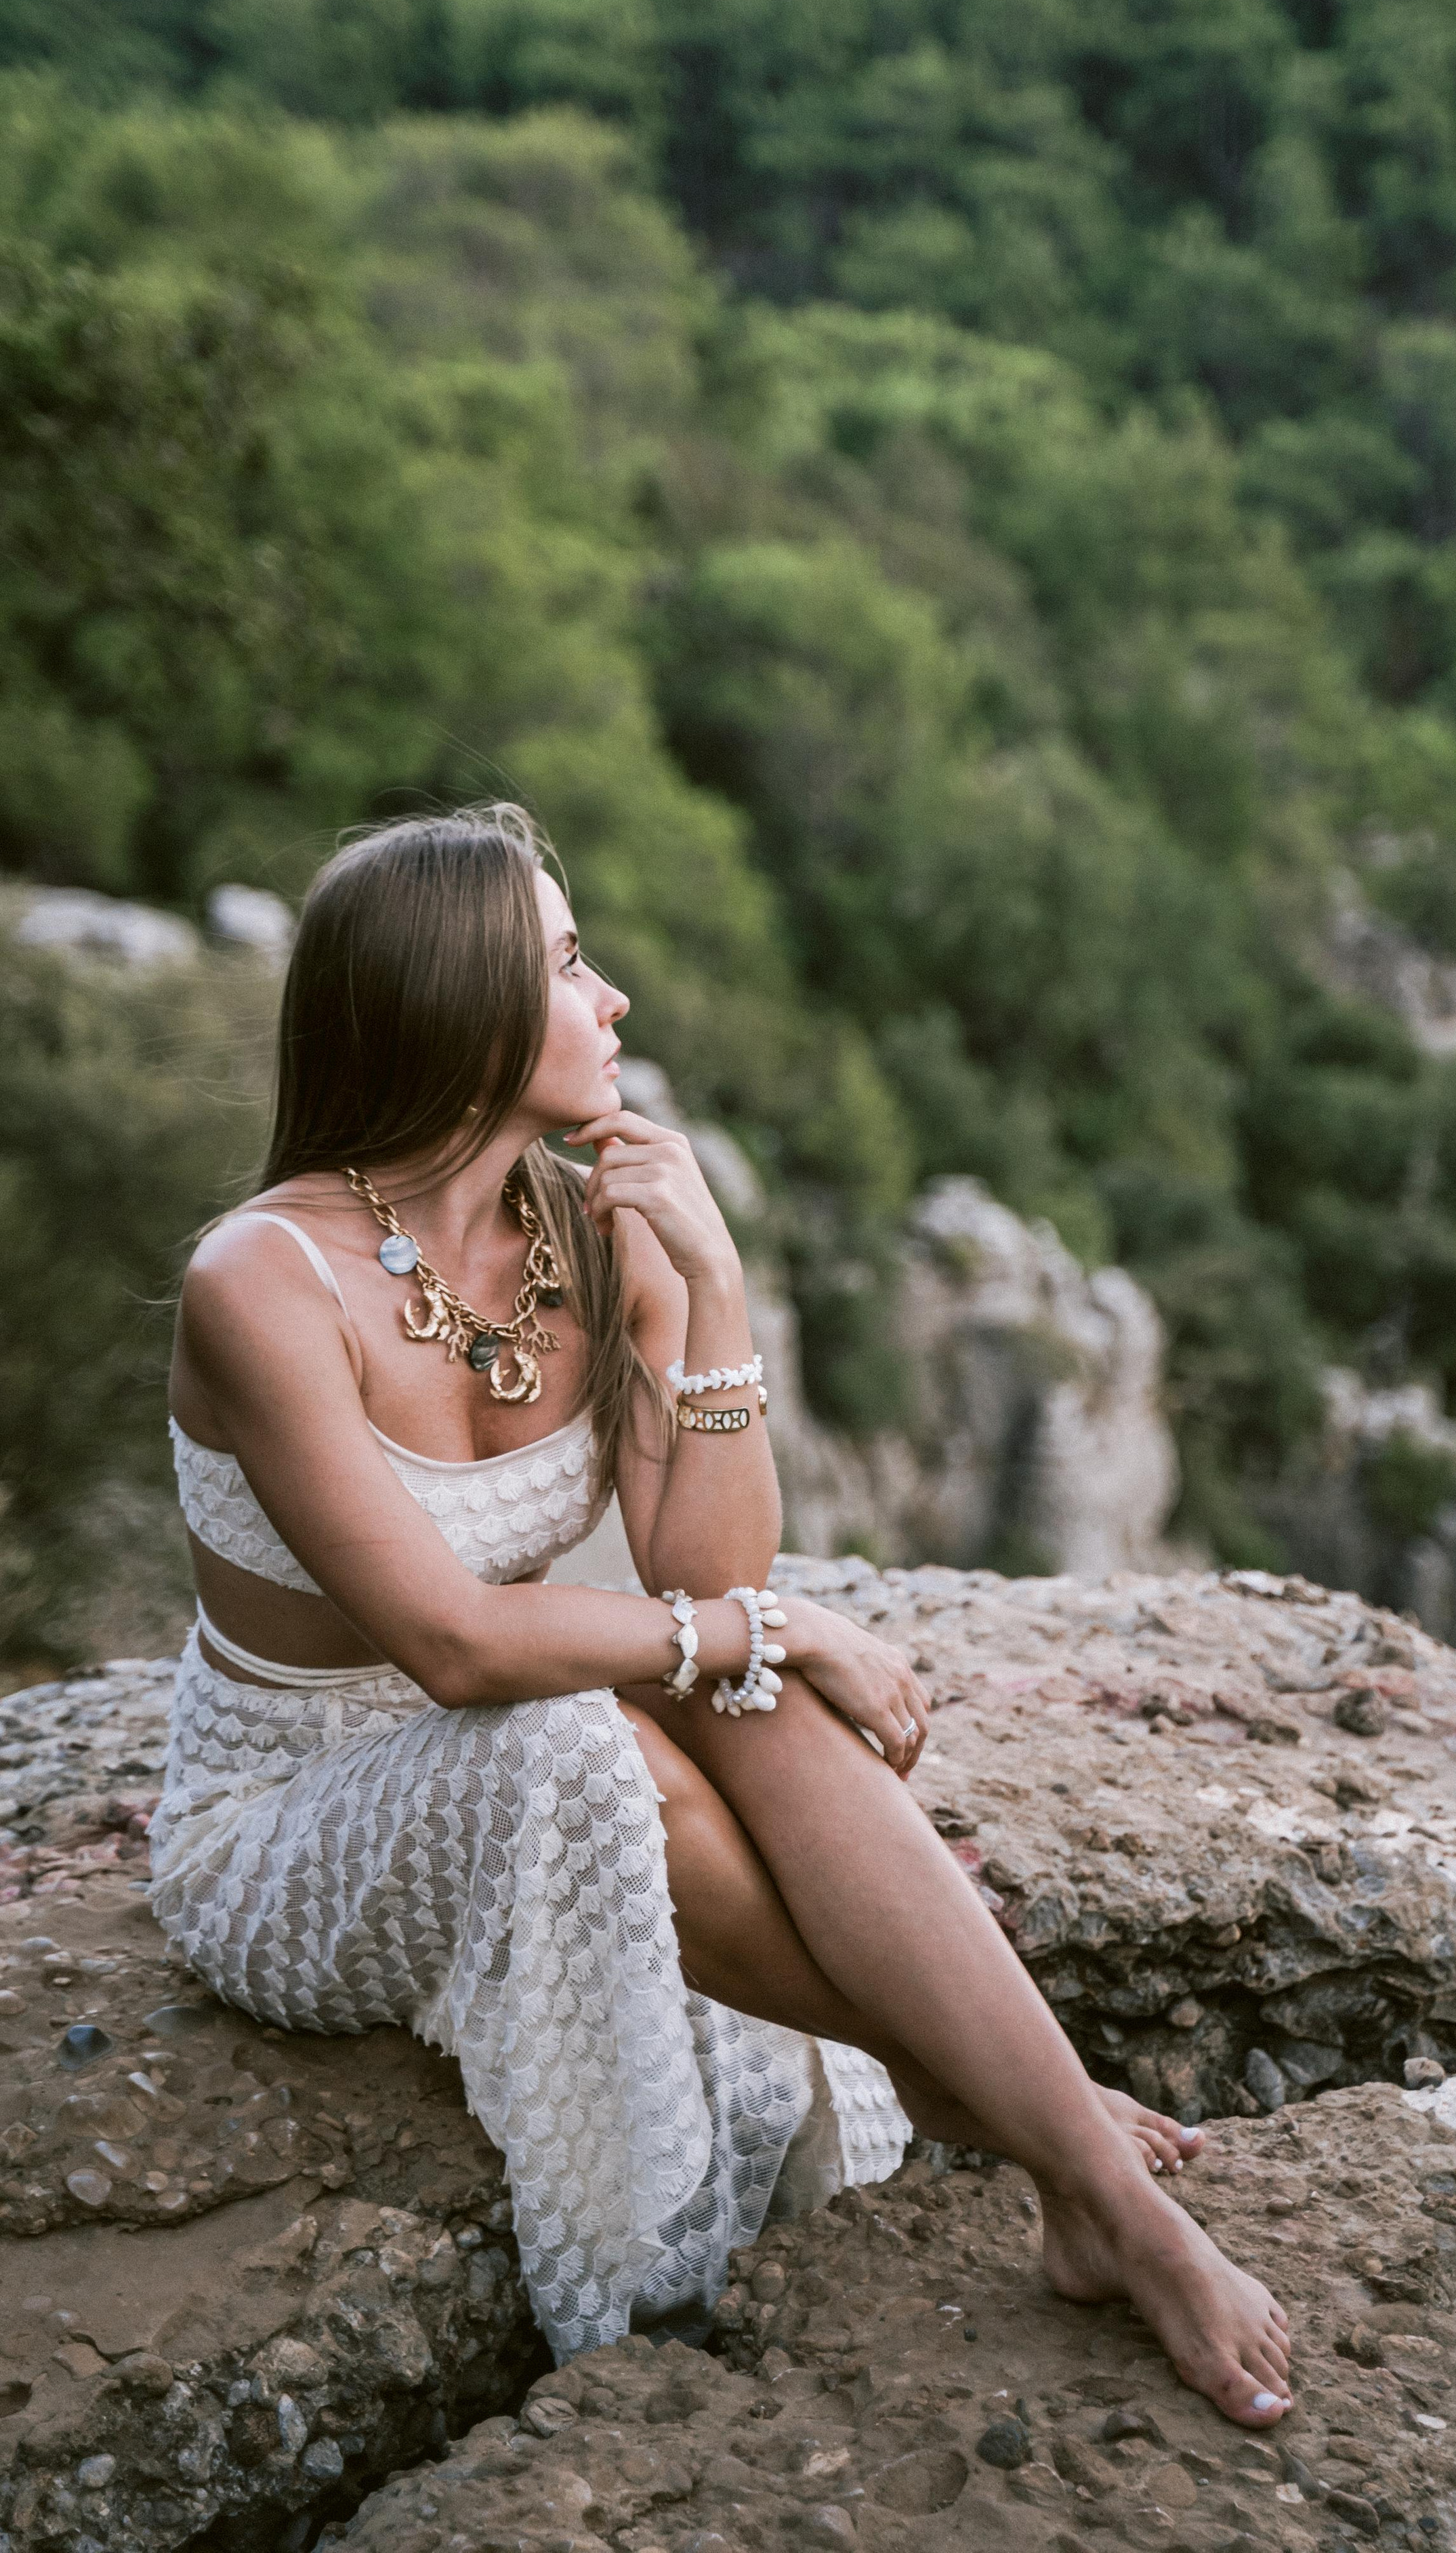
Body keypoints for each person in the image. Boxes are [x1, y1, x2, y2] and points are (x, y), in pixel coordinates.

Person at [153, 804, 1292, 2421]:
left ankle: (1059, 2165)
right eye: (564, 963)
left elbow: (705, 1581)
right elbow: (460, 1647)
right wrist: (779, 1631)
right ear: (457, 1011)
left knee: (719, 1686)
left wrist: (714, 1291)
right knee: (589, 1726)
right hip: (285, 1820)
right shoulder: (260, 1282)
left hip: (509, 1720)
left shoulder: (574, 1225)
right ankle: (1055, 2141)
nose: (611, 996)